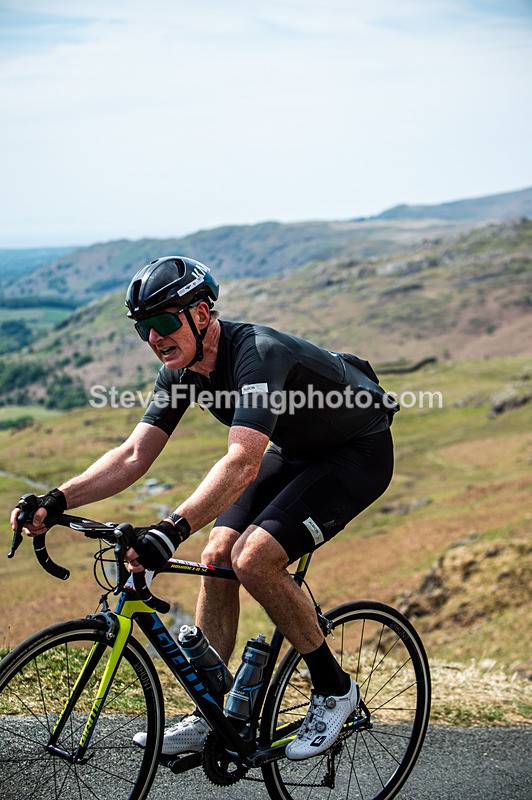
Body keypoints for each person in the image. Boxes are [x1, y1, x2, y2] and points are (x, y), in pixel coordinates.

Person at [11, 256, 398, 761]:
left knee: (254, 558)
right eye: (144, 328)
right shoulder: (179, 371)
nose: (155, 338)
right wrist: (56, 499)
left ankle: (333, 689)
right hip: (296, 450)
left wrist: (170, 530)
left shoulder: (256, 355)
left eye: (165, 322)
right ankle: (212, 710)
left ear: (201, 313)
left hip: (357, 451)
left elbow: (242, 461)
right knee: (217, 555)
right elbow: (133, 455)